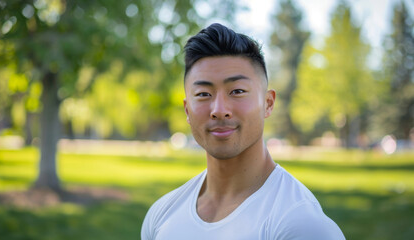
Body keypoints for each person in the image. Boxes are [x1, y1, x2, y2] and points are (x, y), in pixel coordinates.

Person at [141, 23, 345, 240]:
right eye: (203, 94)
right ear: (187, 110)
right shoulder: (161, 216)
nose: (219, 110)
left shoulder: (300, 224)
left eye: (237, 91)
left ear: (268, 103)